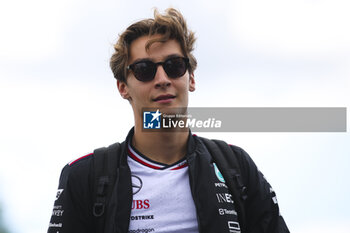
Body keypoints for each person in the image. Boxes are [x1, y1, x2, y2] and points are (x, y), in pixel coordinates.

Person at [48, 8, 289, 233]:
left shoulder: (235, 166)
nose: (162, 79)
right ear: (123, 87)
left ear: (191, 78)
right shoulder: (84, 177)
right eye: (144, 69)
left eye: (174, 66)